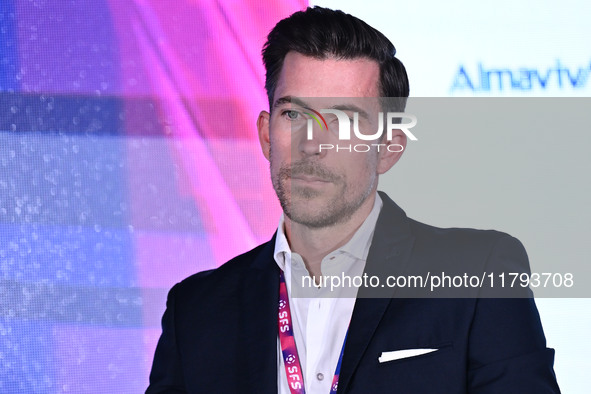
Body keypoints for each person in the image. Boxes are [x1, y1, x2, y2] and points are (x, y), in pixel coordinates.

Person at [146, 7, 560, 393]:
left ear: (389, 147)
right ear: (268, 134)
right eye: (293, 115)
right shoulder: (196, 311)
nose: (312, 144)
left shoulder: (478, 275)